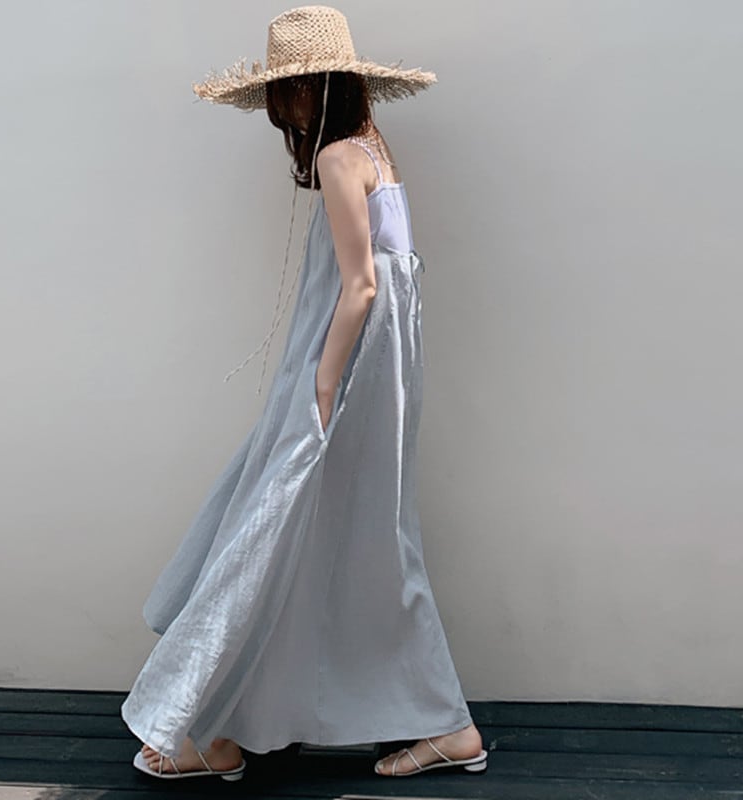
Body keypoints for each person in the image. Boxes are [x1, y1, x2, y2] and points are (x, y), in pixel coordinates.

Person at [120, 5, 488, 781]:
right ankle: (265, 724)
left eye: (289, 89)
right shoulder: (373, 147)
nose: (280, 107)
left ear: (317, 89)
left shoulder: (338, 158)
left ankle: (209, 729)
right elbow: (391, 280)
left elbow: (360, 288)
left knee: (272, 528)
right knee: (347, 539)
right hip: (380, 375)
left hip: (345, 375)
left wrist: (318, 391)